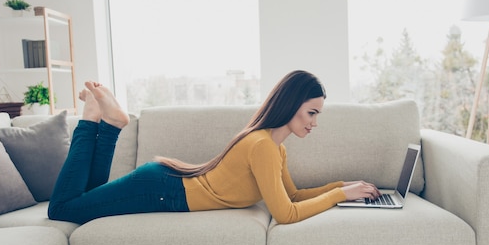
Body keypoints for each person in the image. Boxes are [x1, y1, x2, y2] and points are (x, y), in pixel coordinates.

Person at [48, 70, 380, 225]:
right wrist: (339, 197)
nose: (314, 123)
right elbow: (286, 214)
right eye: (312, 113)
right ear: (292, 104)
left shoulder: (274, 147)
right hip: (163, 191)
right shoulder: (262, 146)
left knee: (84, 198)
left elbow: (291, 196)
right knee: (62, 209)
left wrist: (344, 187)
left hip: (166, 184)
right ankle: (92, 121)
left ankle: (104, 122)